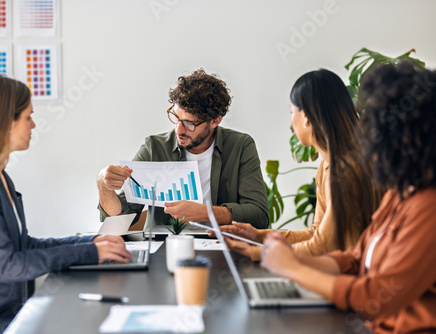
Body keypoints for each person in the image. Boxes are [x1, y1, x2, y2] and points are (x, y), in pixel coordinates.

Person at [0, 74, 132, 333]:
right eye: (27, 117)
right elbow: (8, 266)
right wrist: (91, 253)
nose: (34, 124)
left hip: (5, 310)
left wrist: (90, 242)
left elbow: (24, 246)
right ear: (4, 122)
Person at [261, 62, 436, 333]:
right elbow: (355, 258)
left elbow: (376, 298)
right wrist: (289, 260)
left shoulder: (429, 207)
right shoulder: (400, 193)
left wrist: (294, 270)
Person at [215, 69, 379, 259]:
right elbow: (316, 234)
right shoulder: (327, 166)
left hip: (351, 276)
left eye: (292, 112)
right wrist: (258, 235)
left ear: (307, 118)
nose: (292, 122)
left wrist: (257, 253)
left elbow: (322, 246)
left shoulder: (344, 171)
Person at [97, 69, 270, 228]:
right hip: (166, 247)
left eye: (189, 123)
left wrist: (205, 212)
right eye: (177, 118)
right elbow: (120, 218)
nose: (179, 130)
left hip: (223, 246)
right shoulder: (154, 148)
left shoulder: (240, 146)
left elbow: (259, 215)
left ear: (215, 121)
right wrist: (104, 187)